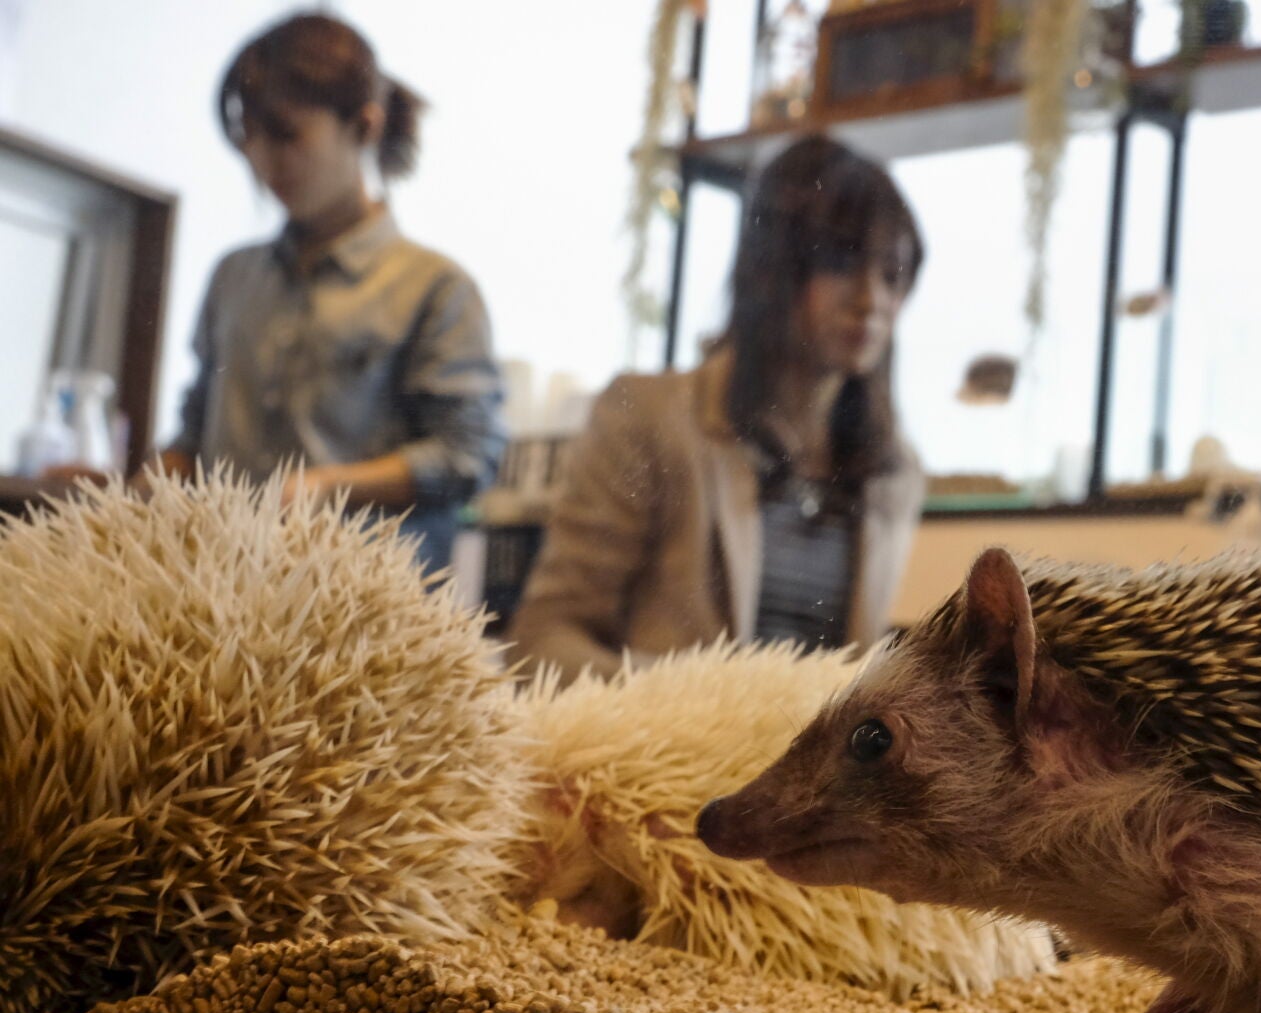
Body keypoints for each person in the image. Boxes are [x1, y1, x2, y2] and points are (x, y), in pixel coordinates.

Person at [508, 135, 927, 684]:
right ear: (772, 269)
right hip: (665, 761)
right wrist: (696, 716)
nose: (871, 301)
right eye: (843, 265)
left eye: (892, 275)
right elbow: (543, 642)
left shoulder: (893, 470)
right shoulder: (649, 417)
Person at [159, 13, 504, 574]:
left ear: (364, 127)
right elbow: (195, 429)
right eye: (250, 135)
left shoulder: (435, 287)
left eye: (287, 133)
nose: (265, 159)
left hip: (358, 620)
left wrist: (327, 488)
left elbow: (466, 455)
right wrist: (140, 494)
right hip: (215, 595)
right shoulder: (233, 278)